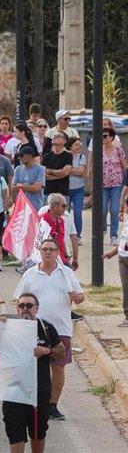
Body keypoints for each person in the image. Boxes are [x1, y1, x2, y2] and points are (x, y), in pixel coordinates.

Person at [12, 238, 85, 421]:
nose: (48, 253)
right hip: (35, 329)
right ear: (39, 251)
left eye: (51, 250)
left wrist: (78, 297)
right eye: (44, 249)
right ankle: (31, 401)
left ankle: (52, 405)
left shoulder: (66, 273)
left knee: (58, 368)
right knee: (32, 367)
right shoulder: (30, 274)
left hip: (61, 328)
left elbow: (81, 296)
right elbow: (18, 300)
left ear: (57, 252)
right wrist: (22, 322)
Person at [0, 293, 66, 453]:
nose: (25, 309)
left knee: (38, 433)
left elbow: (62, 351)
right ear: (17, 308)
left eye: (29, 305)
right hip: (14, 392)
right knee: (16, 435)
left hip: (39, 393)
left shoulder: (46, 328)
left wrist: (47, 350)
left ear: (37, 308)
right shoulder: (7, 326)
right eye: (22, 306)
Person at [37, 194, 79, 271]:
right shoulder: (43, 221)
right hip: (48, 257)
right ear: (55, 206)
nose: (65, 208)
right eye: (63, 206)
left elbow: (62, 241)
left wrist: (66, 257)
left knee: (69, 277)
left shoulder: (61, 220)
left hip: (60, 256)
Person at [103, 198, 128, 328]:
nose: (124, 208)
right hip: (123, 258)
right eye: (124, 205)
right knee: (125, 287)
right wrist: (112, 253)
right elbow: (123, 242)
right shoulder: (126, 221)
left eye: (126, 205)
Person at [102, 127, 127, 246]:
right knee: (102, 209)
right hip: (102, 185)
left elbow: (124, 166)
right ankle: (102, 228)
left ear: (111, 137)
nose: (103, 138)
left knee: (114, 209)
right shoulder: (99, 149)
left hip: (117, 184)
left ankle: (113, 235)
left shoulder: (118, 150)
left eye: (105, 136)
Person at [12, 146, 45, 211]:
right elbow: (13, 188)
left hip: (35, 207)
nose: (19, 158)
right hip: (21, 207)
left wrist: (22, 185)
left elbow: (37, 188)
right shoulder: (18, 169)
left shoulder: (40, 169)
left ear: (29, 155)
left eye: (21, 156)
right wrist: (30, 187)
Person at [42, 132, 72, 201]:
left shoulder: (68, 156)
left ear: (64, 141)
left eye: (58, 136)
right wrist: (60, 175)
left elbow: (66, 173)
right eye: (54, 135)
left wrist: (50, 171)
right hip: (48, 193)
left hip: (63, 193)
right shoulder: (46, 156)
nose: (55, 137)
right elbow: (44, 175)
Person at [68, 138, 86, 240]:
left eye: (79, 144)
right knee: (65, 213)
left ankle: (77, 235)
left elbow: (81, 172)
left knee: (78, 213)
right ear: (70, 146)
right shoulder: (66, 156)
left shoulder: (81, 157)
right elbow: (63, 171)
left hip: (79, 188)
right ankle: (66, 234)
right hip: (66, 188)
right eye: (76, 144)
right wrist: (74, 171)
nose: (78, 146)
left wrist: (69, 170)